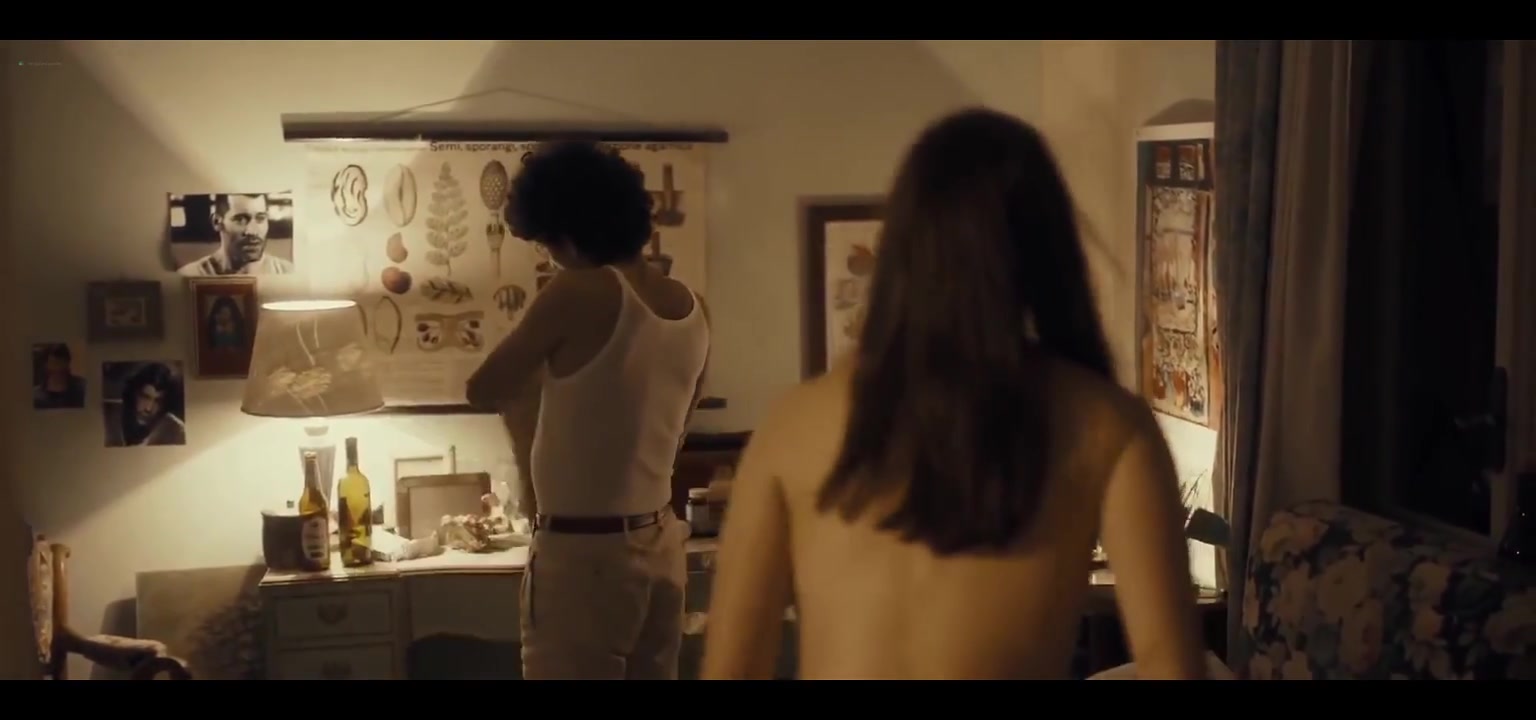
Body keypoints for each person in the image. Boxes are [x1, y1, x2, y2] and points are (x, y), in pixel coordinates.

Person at [701, 108, 1206, 680]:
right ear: (1047, 248)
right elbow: (1171, 666)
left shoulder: (792, 424)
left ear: (902, 248)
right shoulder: (1106, 426)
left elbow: (730, 668)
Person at [465, 140, 710, 680]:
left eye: (547, 243)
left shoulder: (580, 290)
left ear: (567, 235)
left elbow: (483, 387)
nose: (550, 256)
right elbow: (680, 425)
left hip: (584, 553)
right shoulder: (692, 307)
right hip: (661, 543)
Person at [178, 193, 294, 276]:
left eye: (260, 218)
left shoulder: (287, 272)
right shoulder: (189, 275)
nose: (252, 231)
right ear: (217, 222)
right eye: (240, 219)